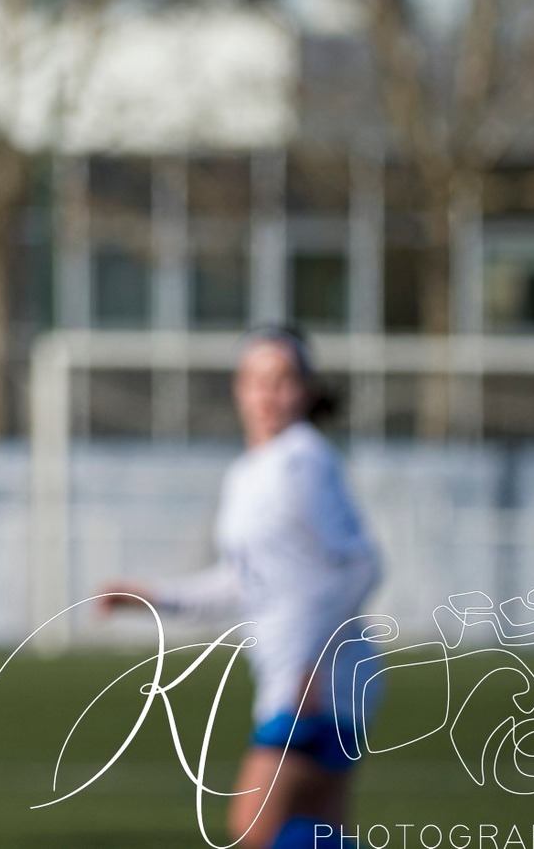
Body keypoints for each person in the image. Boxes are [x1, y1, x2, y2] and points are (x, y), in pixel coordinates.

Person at [99, 325, 382, 849]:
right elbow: (243, 580)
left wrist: (311, 665)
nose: (267, 394)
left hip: (319, 681)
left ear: (307, 390)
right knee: (316, 832)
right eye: (255, 380)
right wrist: (154, 596)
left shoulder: (304, 461)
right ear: (237, 389)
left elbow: (360, 566)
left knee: (253, 829)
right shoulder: (250, 472)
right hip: (303, 675)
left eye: (282, 380)